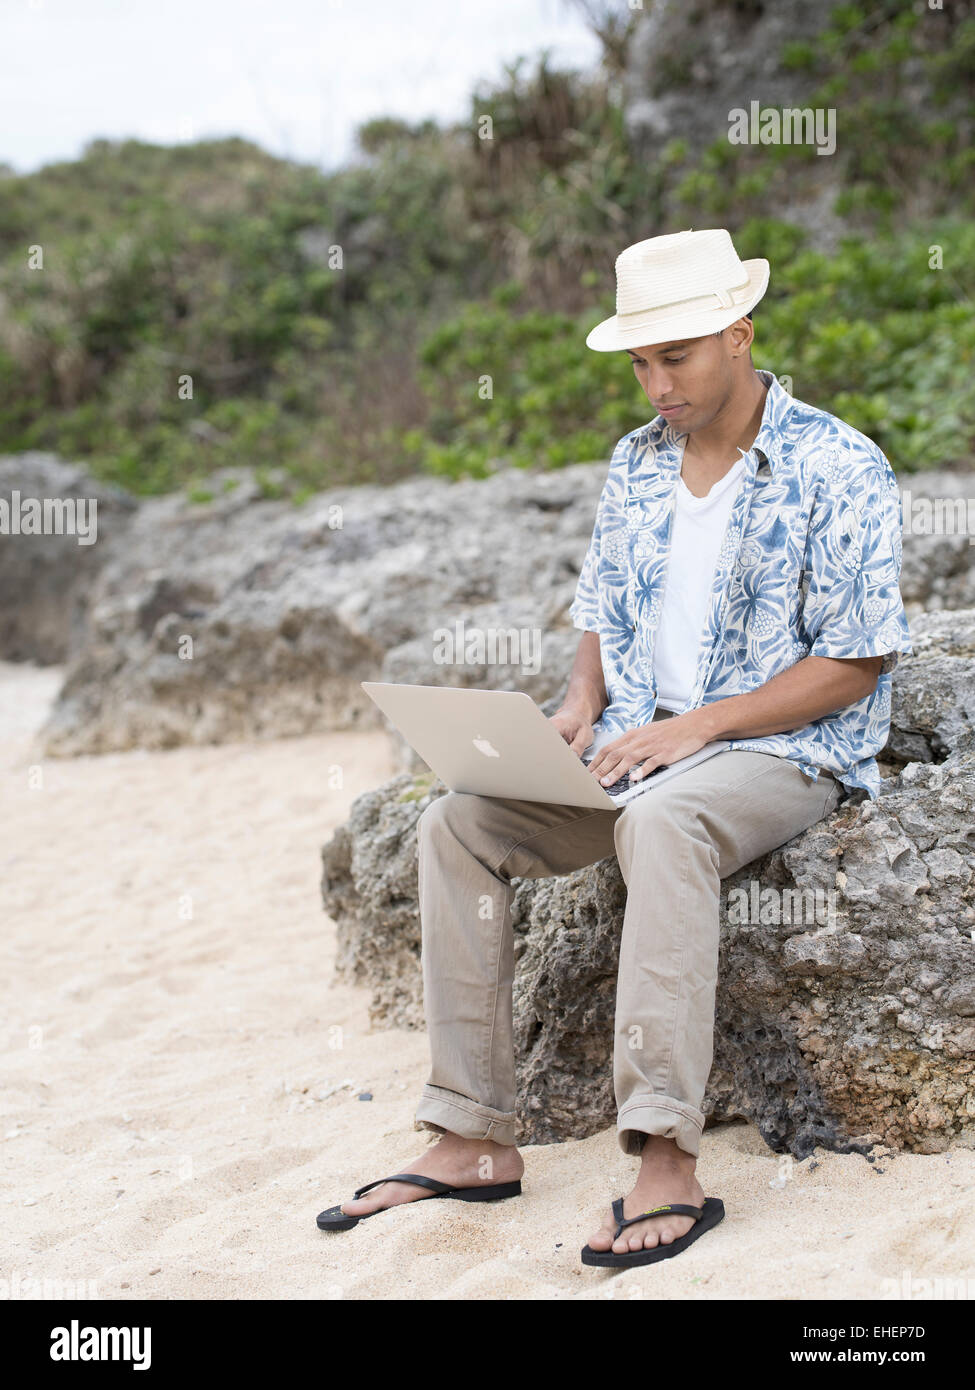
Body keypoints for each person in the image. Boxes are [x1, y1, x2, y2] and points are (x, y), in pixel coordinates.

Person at [317, 228, 914, 1268]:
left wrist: (699, 725)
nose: (655, 382)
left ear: (740, 334)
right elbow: (602, 608)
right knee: (458, 822)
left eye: (673, 355)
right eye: (639, 361)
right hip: (638, 746)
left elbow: (856, 663)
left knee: (665, 820)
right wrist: (576, 705)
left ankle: (666, 1160)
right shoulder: (634, 466)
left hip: (782, 749)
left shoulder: (839, 464)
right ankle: (469, 1137)